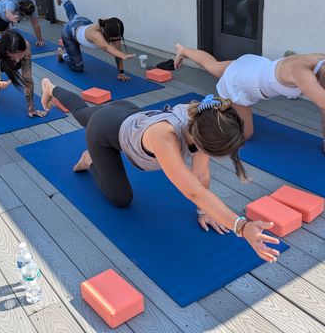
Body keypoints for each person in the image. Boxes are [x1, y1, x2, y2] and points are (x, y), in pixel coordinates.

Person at [41, 78, 280, 263]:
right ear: (201, 141)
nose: (211, 158)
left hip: (129, 114)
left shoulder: (206, 118)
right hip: (105, 131)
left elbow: (200, 175)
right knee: (121, 198)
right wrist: (242, 226)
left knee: (84, 112)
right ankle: (88, 156)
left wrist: (204, 212)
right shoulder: (165, 138)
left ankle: (52, 89)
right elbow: (194, 191)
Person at [174, 47, 325, 159]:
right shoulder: (301, 72)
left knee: (214, 66)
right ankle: (210, 107)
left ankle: (183, 50)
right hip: (244, 84)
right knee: (246, 136)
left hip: (253, 66)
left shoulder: (324, 63)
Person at [55, 0, 135, 81]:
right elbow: (107, 48)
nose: (116, 41)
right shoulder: (95, 34)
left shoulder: (111, 28)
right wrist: (123, 55)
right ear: (106, 33)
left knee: (72, 13)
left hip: (83, 21)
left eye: (118, 38)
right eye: (114, 39)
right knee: (77, 67)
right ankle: (61, 53)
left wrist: (121, 73)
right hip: (69, 32)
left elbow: (116, 50)